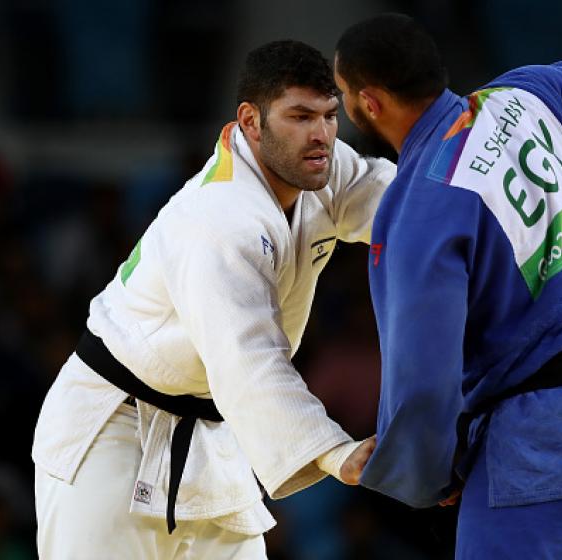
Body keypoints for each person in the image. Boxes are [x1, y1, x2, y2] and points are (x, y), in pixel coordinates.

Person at [32, 40, 393, 559]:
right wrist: (336, 452)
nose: (320, 135)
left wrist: (480, 223)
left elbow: (402, 207)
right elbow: (248, 360)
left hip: (211, 438)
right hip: (114, 432)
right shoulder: (220, 218)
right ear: (251, 120)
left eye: (329, 116)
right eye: (299, 116)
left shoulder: (321, 169)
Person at [334, 14, 562, 559]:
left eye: (341, 94)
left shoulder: (421, 203)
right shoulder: (525, 96)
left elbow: (422, 381)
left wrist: (426, 480)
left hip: (542, 456)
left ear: (368, 102)